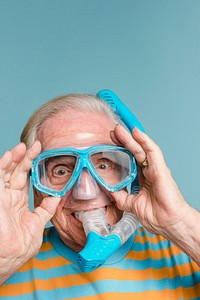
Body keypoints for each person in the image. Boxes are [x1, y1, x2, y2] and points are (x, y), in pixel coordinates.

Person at [0, 91, 200, 299]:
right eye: (61, 170)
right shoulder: (9, 262)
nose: (85, 192)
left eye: (103, 165)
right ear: (35, 184)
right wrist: (4, 264)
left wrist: (181, 225)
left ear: (134, 175)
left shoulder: (185, 250)